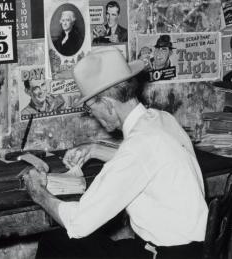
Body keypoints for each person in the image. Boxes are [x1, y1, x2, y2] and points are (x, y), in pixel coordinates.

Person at [23, 48, 208, 259]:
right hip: (194, 249)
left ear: (109, 105)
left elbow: (78, 223)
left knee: (56, 243)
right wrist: (94, 149)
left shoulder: (137, 148)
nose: (92, 115)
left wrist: (37, 192)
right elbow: (149, 162)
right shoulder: (161, 119)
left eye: (91, 109)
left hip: (167, 255)